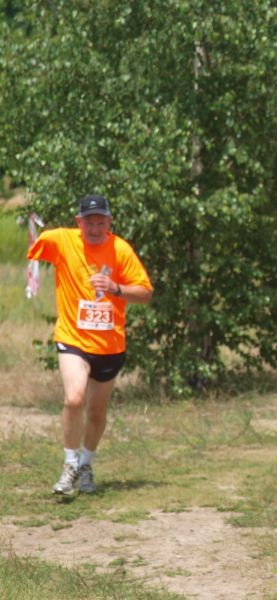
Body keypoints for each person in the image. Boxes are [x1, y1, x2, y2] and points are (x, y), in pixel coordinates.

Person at [28, 194, 153, 496]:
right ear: (79, 222)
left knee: (96, 412)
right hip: (72, 338)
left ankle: (86, 465)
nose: (95, 229)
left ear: (109, 222)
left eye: (100, 223)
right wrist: (30, 218)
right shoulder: (62, 241)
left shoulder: (120, 250)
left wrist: (116, 288)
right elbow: (34, 243)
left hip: (109, 345)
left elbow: (145, 292)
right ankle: (69, 465)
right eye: (89, 223)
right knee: (74, 399)